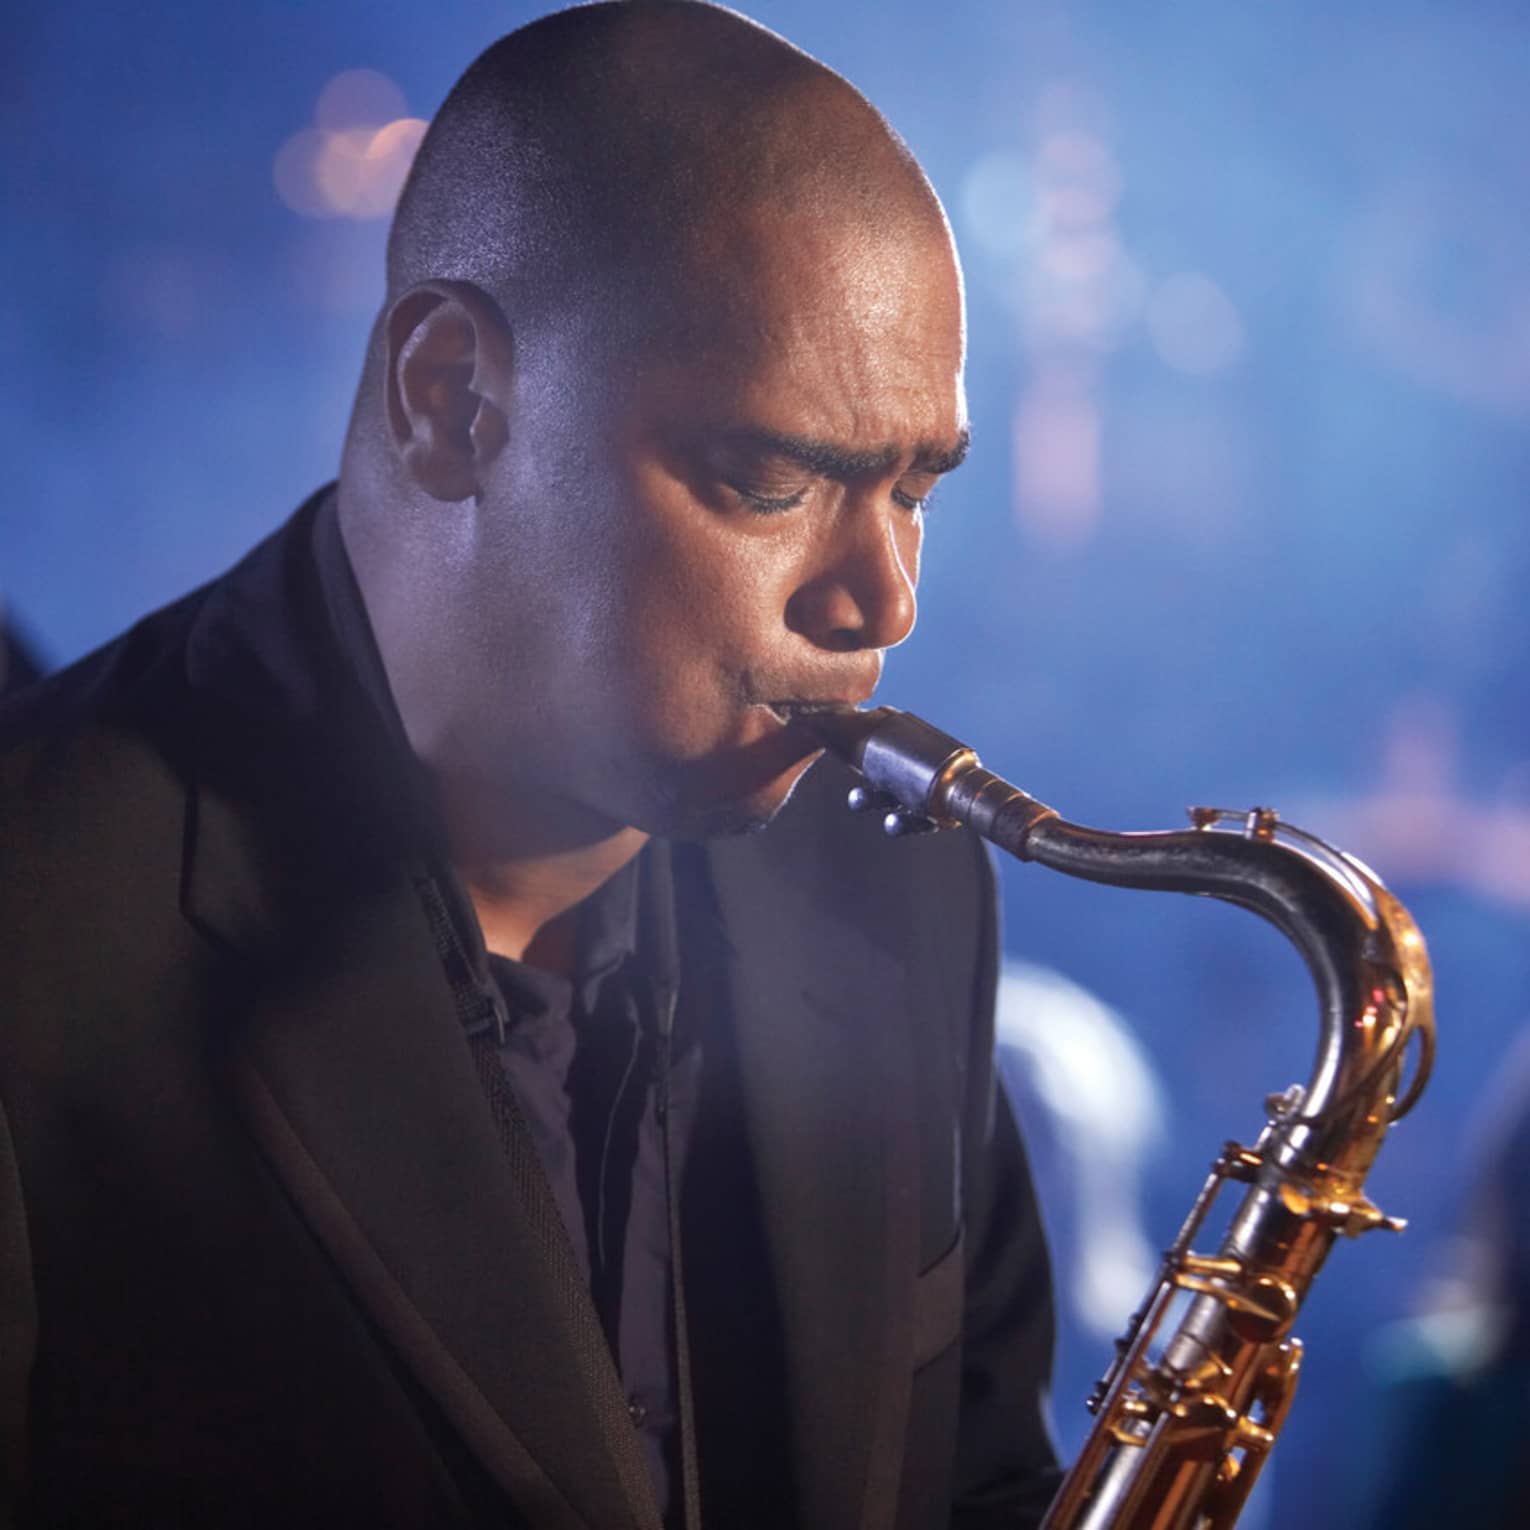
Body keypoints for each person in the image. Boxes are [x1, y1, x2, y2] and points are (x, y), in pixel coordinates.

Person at [0, 4, 1061, 1526]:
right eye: (769, 479)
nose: (882, 602)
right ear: (451, 397)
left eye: (916, 490)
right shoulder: (33, 922)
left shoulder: (903, 883)